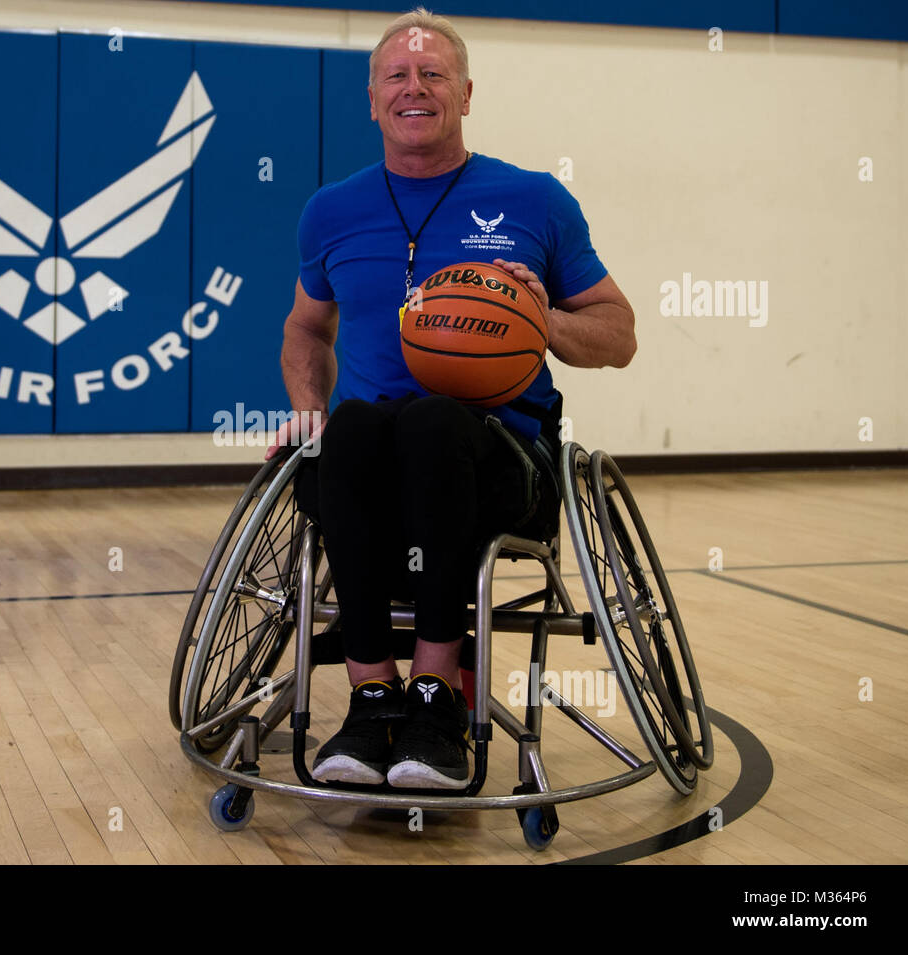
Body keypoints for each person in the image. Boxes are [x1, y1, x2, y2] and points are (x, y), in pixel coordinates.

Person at [267, 6, 636, 789]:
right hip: (368, 456)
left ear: (466, 94)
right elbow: (305, 333)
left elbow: (619, 334)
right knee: (357, 425)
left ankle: (434, 699)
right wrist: (307, 408)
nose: (415, 88)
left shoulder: (534, 198)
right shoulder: (329, 211)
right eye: (397, 76)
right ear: (371, 99)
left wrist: (547, 323)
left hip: (499, 454)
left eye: (433, 74)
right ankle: (372, 698)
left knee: (435, 420)